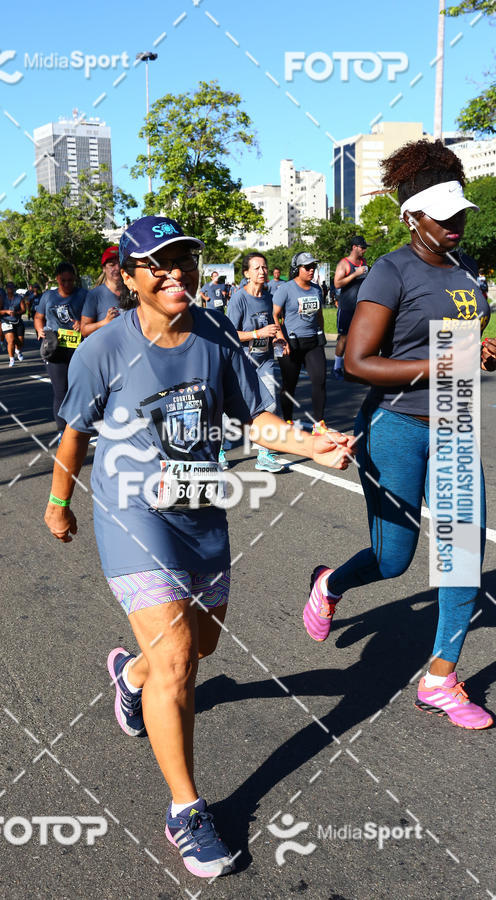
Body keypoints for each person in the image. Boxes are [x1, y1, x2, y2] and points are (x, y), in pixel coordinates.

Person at [43, 214, 356, 879]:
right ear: (130, 278)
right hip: (132, 514)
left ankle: (130, 678)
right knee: (179, 657)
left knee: (199, 649)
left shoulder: (214, 336)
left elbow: (261, 420)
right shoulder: (101, 350)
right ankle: (186, 810)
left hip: (200, 510)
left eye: (184, 257)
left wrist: (312, 443)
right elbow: (74, 433)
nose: (176, 271)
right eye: (158, 262)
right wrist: (58, 501)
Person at [303, 139, 493, 730]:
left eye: (460, 210)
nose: (457, 221)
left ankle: (440, 677)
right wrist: (438, 364)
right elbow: (356, 361)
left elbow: (463, 345)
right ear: (413, 216)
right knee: (394, 560)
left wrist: (480, 351)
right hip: (397, 425)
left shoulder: (467, 273)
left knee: (463, 554)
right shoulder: (390, 270)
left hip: (457, 420)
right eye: (443, 212)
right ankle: (331, 583)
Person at [226, 251, 287, 472]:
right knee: (235, 409)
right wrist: (257, 334)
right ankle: (220, 450)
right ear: (246, 273)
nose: (262, 271)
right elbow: (229, 333)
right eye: (257, 268)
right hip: (242, 361)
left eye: (264, 267)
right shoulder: (238, 298)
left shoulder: (269, 296)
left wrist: (280, 338)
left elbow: (272, 323)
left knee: (270, 404)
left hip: (265, 359)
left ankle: (264, 455)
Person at [273, 252, 328, 432]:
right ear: (297, 269)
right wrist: (280, 338)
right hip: (291, 342)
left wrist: (321, 331)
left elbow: (319, 314)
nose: (311, 270)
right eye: (307, 267)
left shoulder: (316, 289)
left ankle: (319, 423)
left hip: (312, 341)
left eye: (313, 267)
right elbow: (274, 314)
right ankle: (288, 420)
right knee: (290, 384)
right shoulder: (285, 289)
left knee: (320, 379)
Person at [33, 262, 86, 438]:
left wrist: (83, 323)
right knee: (60, 390)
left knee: (78, 389)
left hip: (78, 349)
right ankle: (62, 430)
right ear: (57, 279)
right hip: (54, 348)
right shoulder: (48, 296)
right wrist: (40, 329)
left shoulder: (83, 295)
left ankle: (79, 424)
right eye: (63, 281)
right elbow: (38, 317)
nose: (67, 284)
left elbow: (91, 317)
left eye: (71, 280)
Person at [332, 236, 368, 380]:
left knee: (360, 338)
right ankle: (336, 367)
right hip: (347, 307)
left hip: (361, 307)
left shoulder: (364, 262)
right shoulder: (344, 263)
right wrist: (355, 274)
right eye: (362, 247)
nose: (364, 250)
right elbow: (337, 284)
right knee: (344, 338)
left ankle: (354, 367)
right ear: (354, 247)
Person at [80, 246, 122, 338]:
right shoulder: (94, 295)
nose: (117, 268)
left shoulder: (134, 290)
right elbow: (84, 330)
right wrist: (105, 322)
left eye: (120, 263)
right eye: (112, 265)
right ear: (104, 268)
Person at [0, 282, 26, 366]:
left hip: (17, 321)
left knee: (20, 342)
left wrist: (16, 313)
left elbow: (24, 310)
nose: (10, 289)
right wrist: (6, 311)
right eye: (8, 287)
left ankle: (18, 350)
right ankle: (11, 359)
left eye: (12, 287)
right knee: (11, 341)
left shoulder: (19, 298)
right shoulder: (2, 298)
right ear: (6, 288)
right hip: (6, 321)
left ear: (14, 288)